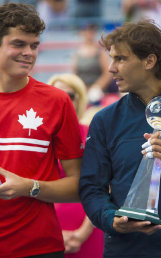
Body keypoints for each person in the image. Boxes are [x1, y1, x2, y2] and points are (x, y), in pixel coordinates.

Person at [0, 3, 83, 257]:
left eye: (34, 45)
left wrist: (29, 187)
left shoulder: (57, 102)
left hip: (37, 247)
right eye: (19, 44)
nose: (29, 53)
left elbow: (79, 186)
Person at [79, 20, 161, 257]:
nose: (111, 68)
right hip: (123, 250)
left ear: (149, 61)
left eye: (120, 59)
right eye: (111, 58)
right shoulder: (104, 120)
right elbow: (91, 188)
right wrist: (112, 219)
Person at [48, 73, 104, 258]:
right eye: (56, 94)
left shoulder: (92, 136)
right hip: (46, 230)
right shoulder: (38, 140)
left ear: (79, 99)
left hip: (89, 226)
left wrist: (82, 233)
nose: (62, 100)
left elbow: (103, 187)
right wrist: (53, 233)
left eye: (69, 95)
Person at [72, 23, 112, 104]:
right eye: (86, 31)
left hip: (97, 89)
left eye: (91, 31)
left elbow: (107, 73)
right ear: (82, 33)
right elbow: (75, 74)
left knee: (94, 97)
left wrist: (96, 87)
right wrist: (81, 88)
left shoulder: (100, 52)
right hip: (82, 88)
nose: (89, 33)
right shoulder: (77, 53)